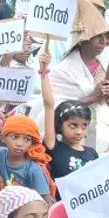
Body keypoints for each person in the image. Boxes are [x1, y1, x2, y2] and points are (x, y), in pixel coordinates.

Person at [28, 0, 109, 154]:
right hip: (72, 145)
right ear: (82, 40)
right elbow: (49, 110)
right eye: (97, 36)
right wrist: (91, 98)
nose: (103, 42)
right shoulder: (63, 71)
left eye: (105, 36)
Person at [40, 52, 98, 187]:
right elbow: (49, 105)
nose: (79, 131)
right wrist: (43, 73)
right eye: (73, 125)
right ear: (60, 125)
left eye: (84, 126)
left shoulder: (92, 153)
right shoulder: (54, 147)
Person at [0, 115, 55, 205]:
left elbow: (47, 203)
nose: (20, 144)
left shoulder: (34, 169)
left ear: (32, 143)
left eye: (27, 139)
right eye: (15, 137)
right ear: (3, 138)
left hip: (36, 208)